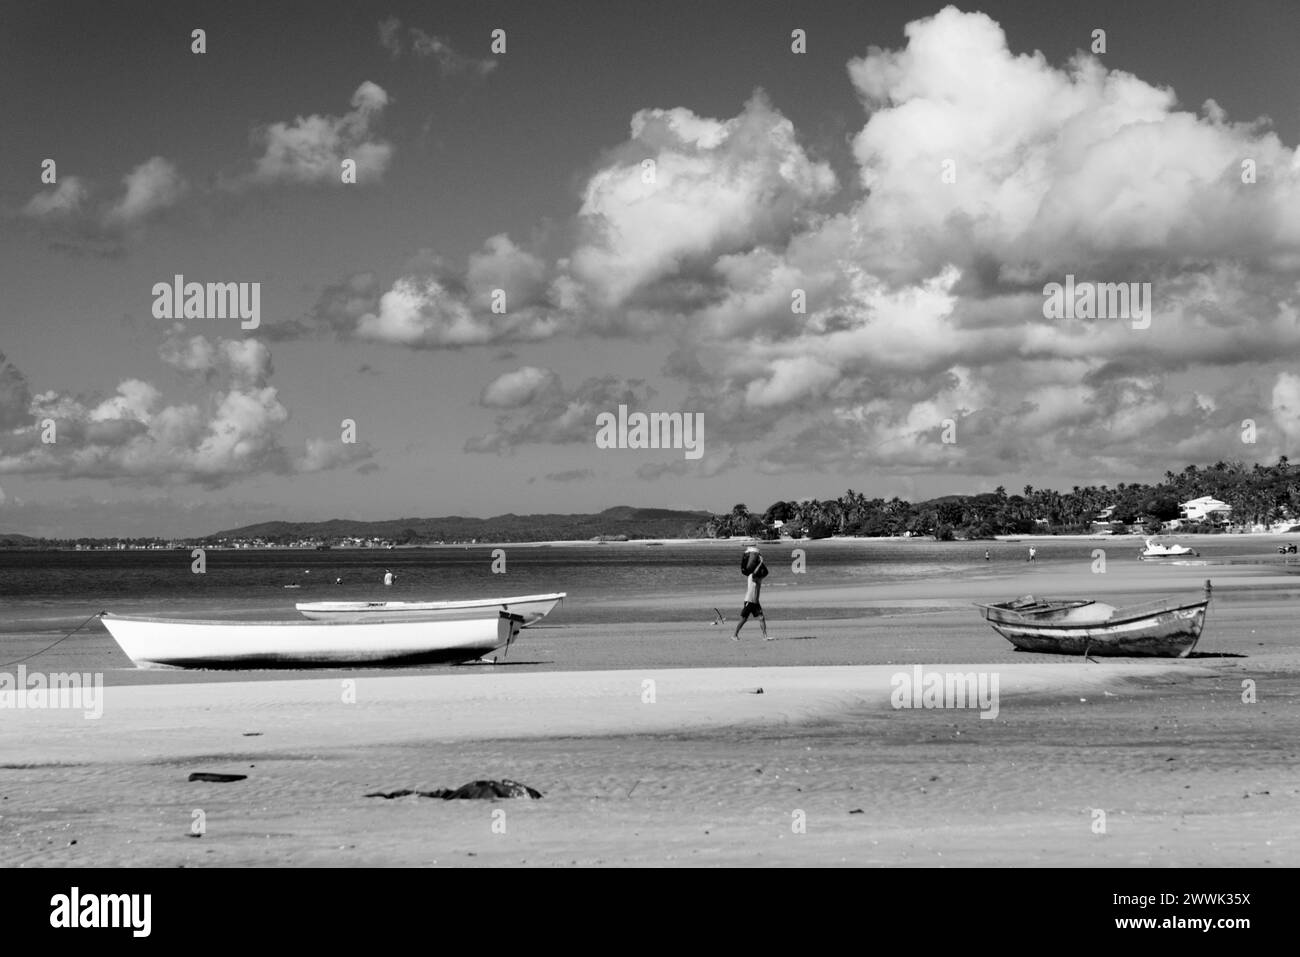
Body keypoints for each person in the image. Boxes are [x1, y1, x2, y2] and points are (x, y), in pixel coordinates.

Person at [732, 545, 771, 641]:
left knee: (761, 617)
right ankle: (734, 635)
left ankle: (765, 636)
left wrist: (762, 562)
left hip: (756, 602)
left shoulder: (759, 578)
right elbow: (755, 573)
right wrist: (760, 562)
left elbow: (766, 572)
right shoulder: (751, 576)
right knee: (744, 619)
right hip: (749, 600)